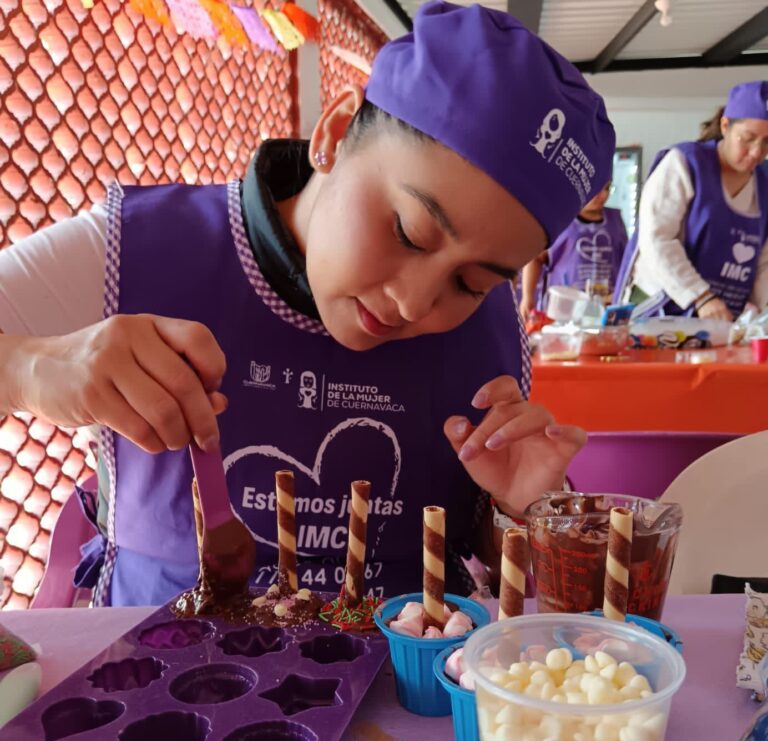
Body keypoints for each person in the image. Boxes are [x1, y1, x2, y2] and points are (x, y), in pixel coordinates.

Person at [0, 2, 614, 607]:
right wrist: (32, 369)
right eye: (408, 232)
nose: (414, 301)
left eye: (472, 284)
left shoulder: (493, 336)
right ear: (336, 132)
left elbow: (512, 574)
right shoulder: (137, 248)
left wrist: (524, 508)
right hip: (160, 673)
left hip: (404, 690)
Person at [614, 80, 768, 320]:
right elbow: (657, 238)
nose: (757, 152)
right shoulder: (685, 164)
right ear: (725, 125)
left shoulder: (764, 186)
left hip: (721, 319)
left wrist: (762, 315)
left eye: (767, 142)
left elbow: (764, 263)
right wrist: (701, 296)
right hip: (658, 311)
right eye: (747, 138)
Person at [519, 181, 627, 321]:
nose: (603, 195)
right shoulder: (560, 218)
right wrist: (527, 297)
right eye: (596, 190)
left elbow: (627, 262)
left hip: (607, 308)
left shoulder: (616, 220)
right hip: (564, 307)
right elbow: (535, 258)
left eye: (607, 189)